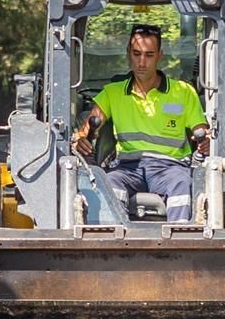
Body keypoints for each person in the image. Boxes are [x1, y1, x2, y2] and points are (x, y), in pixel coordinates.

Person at [76, 23, 208, 223]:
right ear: (128, 53)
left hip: (171, 168)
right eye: (136, 54)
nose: (142, 62)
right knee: (110, 182)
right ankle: (113, 239)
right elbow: (86, 129)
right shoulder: (112, 93)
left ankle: (181, 237)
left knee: (182, 184)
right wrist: (81, 140)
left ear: (159, 56)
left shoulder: (183, 92)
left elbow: (201, 131)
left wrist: (205, 141)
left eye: (149, 55)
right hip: (128, 168)